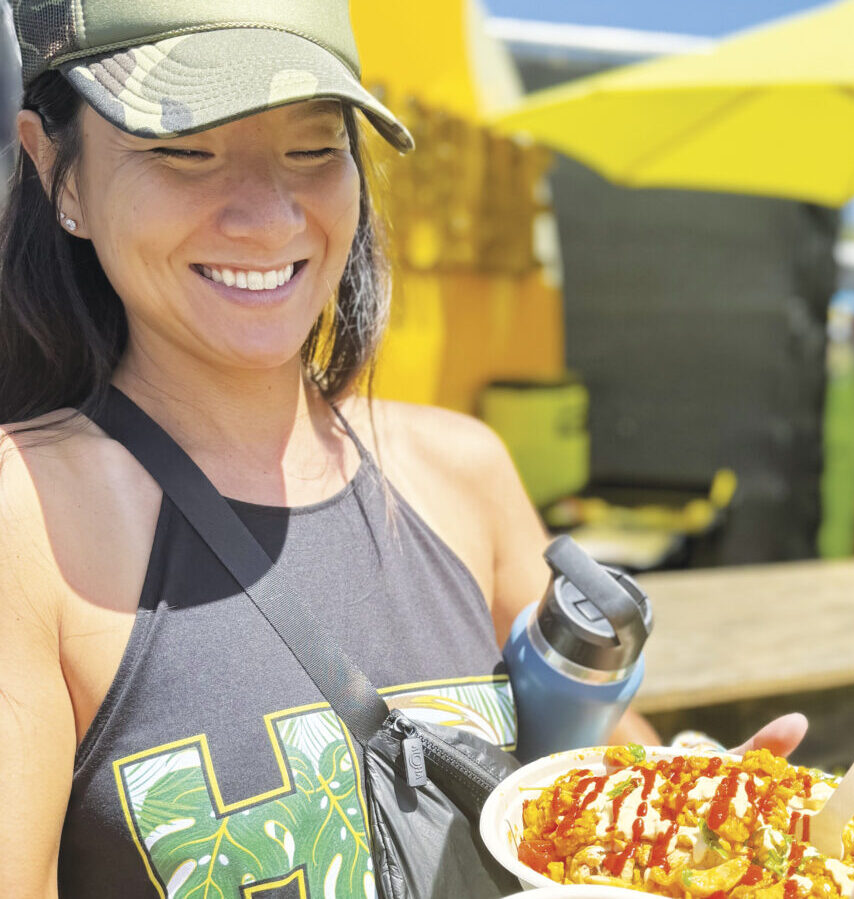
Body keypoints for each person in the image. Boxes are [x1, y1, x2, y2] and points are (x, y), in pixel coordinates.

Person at [0, 3, 807, 896]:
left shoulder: (462, 471)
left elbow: (595, 785)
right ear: (55, 167)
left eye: (315, 150)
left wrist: (707, 837)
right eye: (187, 150)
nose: (270, 218)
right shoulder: (25, 520)